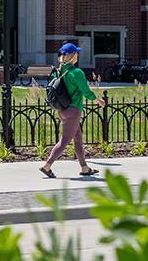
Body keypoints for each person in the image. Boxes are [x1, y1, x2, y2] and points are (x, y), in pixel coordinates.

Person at [40, 42, 105, 179]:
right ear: (73, 55)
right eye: (77, 53)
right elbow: (85, 91)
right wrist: (98, 100)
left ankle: (84, 168)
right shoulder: (76, 72)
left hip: (62, 110)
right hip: (73, 110)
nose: (78, 55)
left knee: (78, 139)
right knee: (64, 141)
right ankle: (47, 166)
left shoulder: (59, 71)